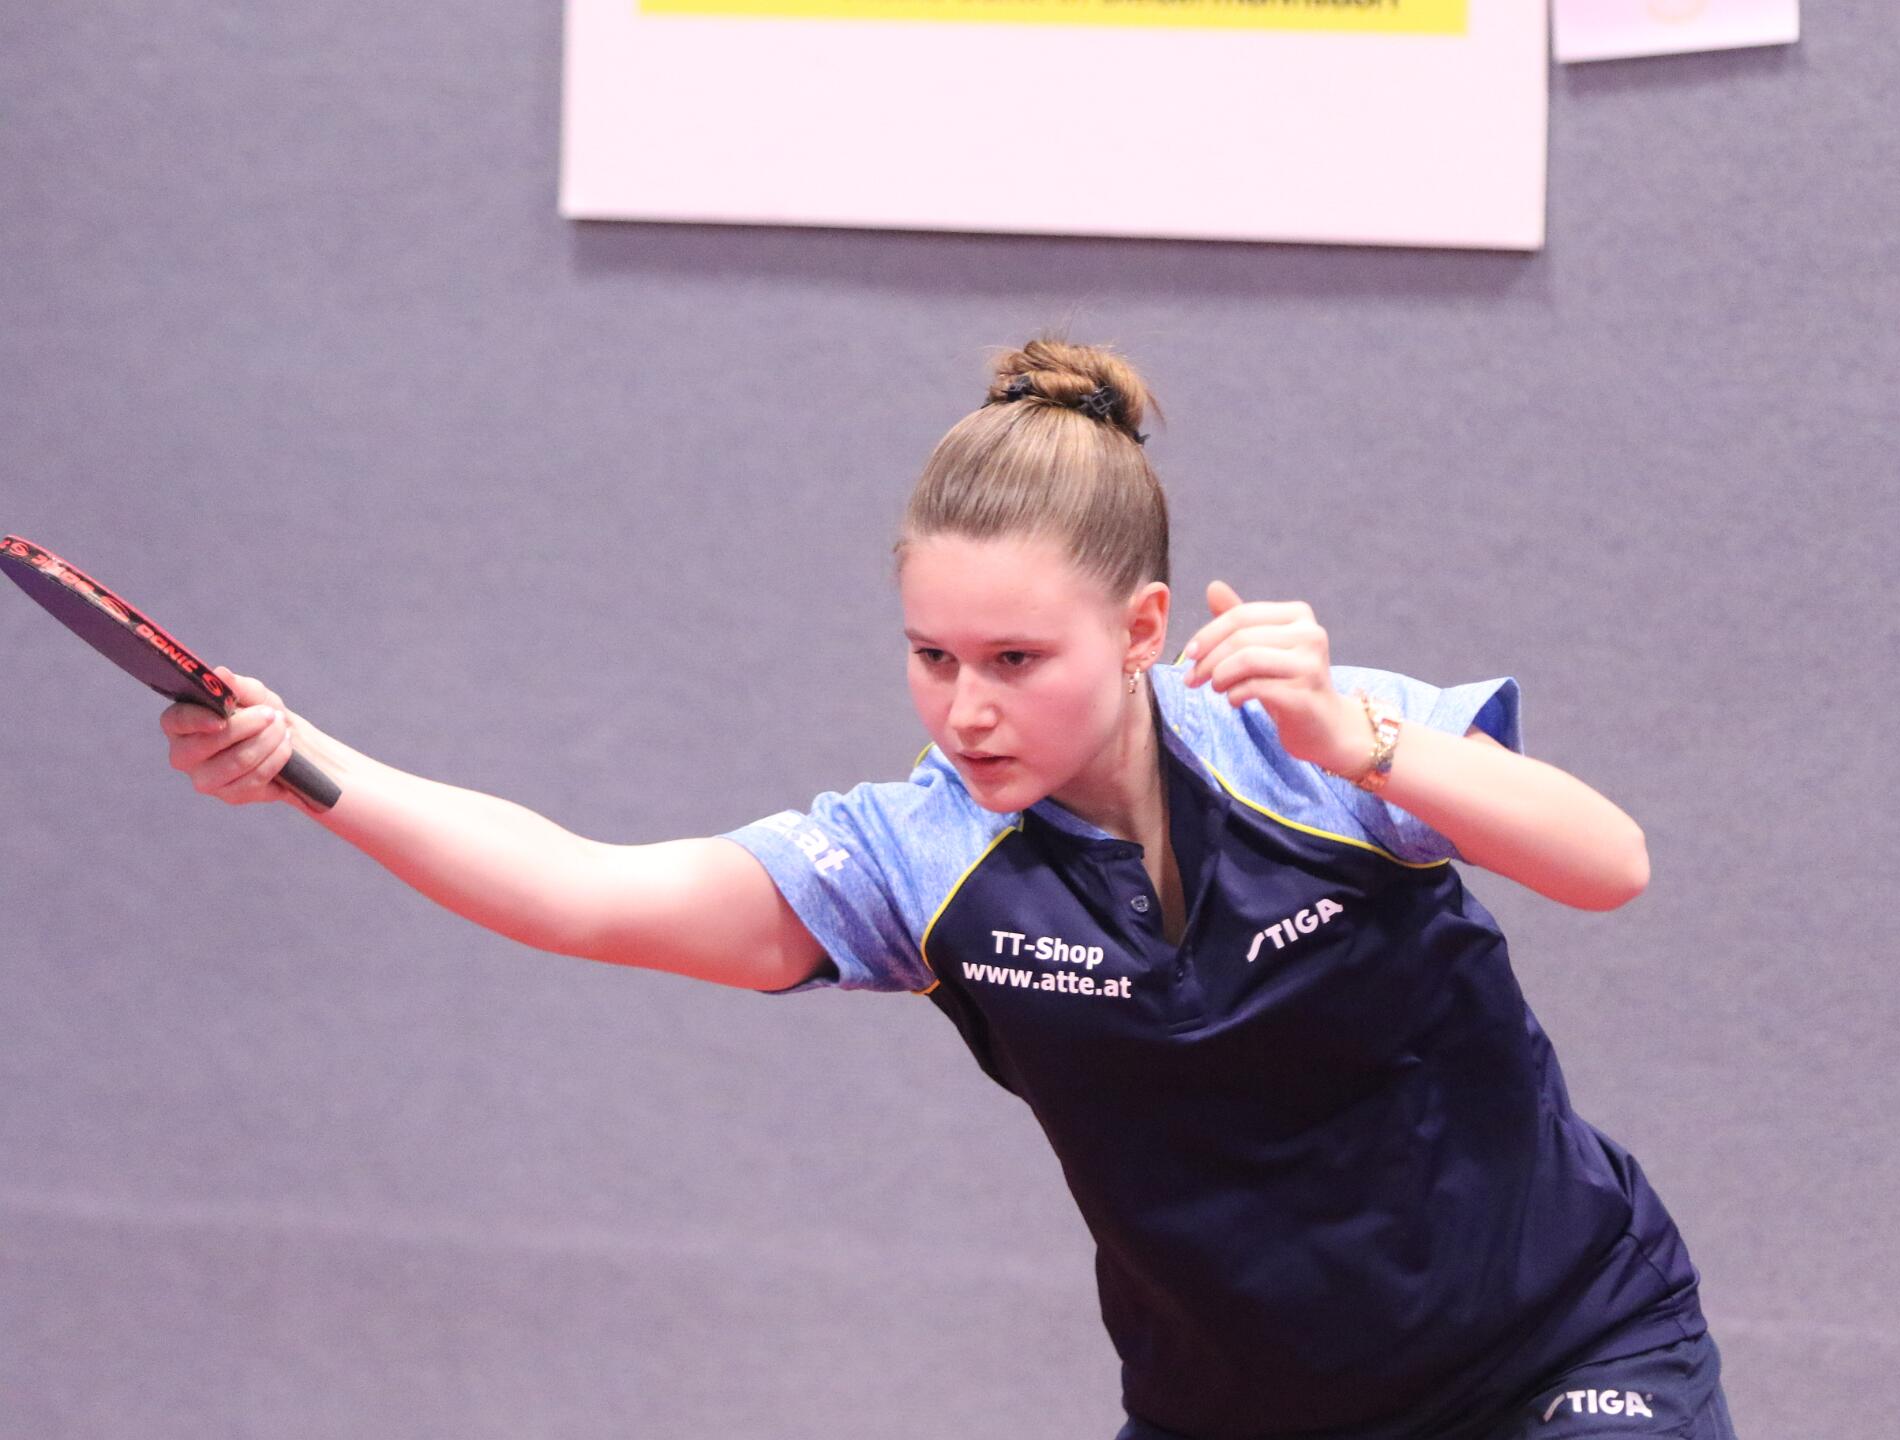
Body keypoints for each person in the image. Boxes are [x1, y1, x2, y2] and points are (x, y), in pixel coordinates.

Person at [163, 336, 1738, 1439]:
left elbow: (1609, 865)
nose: (965, 709)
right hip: (1239, 1412)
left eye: (1015, 660)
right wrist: (302, 762)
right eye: (933, 657)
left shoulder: (1307, 743)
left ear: (1140, 630)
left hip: (1557, 1355)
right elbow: (584, 892)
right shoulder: (920, 860)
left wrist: (1364, 741)